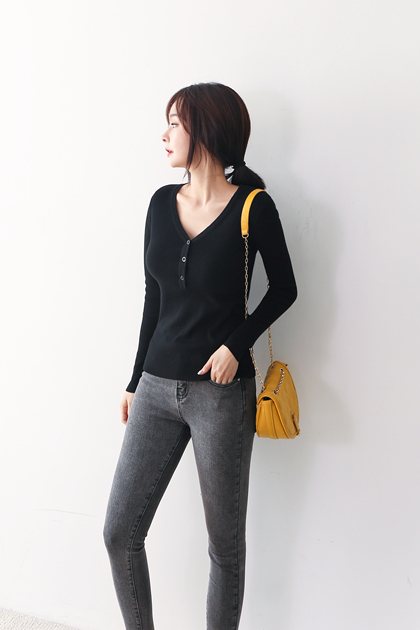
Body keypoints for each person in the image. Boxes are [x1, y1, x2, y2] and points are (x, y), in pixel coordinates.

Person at [103, 82, 298, 630]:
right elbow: (153, 298)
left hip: (220, 395)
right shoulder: (160, 204)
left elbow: (285, 289)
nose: (165, 135)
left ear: (206, 130)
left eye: (175, 123)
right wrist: (134, 380)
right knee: (119, 533)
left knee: (224, 548)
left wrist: (237, 344)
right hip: (156, 388)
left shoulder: (253, 207)